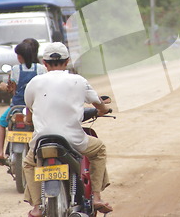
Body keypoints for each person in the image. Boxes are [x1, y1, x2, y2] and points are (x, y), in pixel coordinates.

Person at [22, 42, 113, 216]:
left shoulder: (34, 82)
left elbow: (29, 112)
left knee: (28, 163)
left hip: (42, 140)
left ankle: (36, 207)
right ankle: (96, 197)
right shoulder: (78, 80)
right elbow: (98, 104)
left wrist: (29, 120)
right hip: (73, 140)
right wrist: (103, 110)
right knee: (99, 149)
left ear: (44, 62)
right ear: (68, 61)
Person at [0, 39, 46, 163]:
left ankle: (0, 151)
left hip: (17, 107)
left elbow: (13, 89)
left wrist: (7, 87)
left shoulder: (16, 69)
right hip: (35, 107)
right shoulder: (41, 68)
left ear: (19, 57)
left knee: (1, 122)